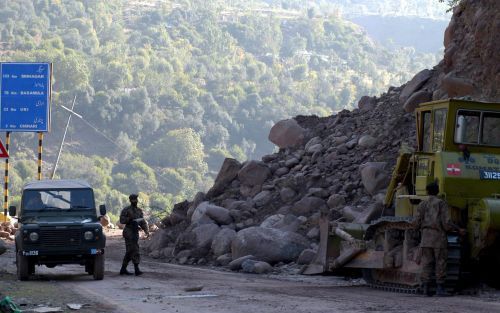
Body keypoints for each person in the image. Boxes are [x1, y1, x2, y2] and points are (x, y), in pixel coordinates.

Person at [412, 182, 464, 297]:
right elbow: (447, 223)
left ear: (427, 191)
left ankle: (425, 289)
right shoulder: (441, 203)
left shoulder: (422, 204)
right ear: (438, 191)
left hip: (426, 238)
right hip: (438, 238)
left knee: (426, 263)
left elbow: (416, 223)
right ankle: (440, 289)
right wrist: (458, 229)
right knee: (440, 263)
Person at [119, 194, 149, 276]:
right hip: (128, 231)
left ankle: (123, 269)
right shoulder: (126, 210)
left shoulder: (139, 211)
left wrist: (146, 230)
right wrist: (129, 219)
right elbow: (121, 220)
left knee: (130, 251)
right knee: (134, 249)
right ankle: (136, 269)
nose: (135, 201)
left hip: (135, 232)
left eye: (135, 199)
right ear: (130, 200)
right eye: (133, 200)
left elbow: (143, 222)